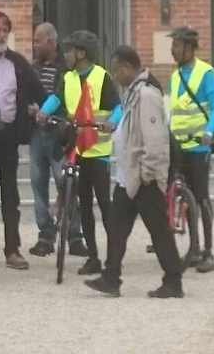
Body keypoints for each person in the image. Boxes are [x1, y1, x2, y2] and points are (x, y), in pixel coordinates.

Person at [85, 46, 184, 298]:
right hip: (129, 177)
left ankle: (173, 281)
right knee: (117, 226)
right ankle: (111, 277)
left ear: (128, 67)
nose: (115, 76)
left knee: (159, 230)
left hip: (142, 177)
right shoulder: (133, 93)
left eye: (117, 70)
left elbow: (155, 139)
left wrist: (147, 174)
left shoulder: (147, 95)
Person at [37, 30, 122, 276]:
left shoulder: (101, 77)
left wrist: (112, 122)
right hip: (77, 148)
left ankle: (113, 257)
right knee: (84, 206)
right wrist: (43, 111)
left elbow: (118, 107)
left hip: (98, 151)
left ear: (82, 53)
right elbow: (56, 98)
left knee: (104, 205)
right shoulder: (68, 78)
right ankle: (93, 257)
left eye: (70, 50)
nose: (65, 55)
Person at [0, 11, 43, 270]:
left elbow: (39, 92)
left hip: (9, 134)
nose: (1, 35)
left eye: (5, 30)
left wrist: (37, 110)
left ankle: (12, 249)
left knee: (10, 193)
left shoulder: (18, 63)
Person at [27, 22, 85, 258]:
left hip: (59, 135)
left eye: (38, 41)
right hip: (36, 134)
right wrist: (30, 109)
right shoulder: (32, 69)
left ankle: (74, 235)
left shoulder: (65, 69)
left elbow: (66, 97)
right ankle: (45, 234)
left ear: (51, 42)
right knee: (37, 183)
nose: (34, 45)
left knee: (66, 183)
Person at [167, 26, 214, 273]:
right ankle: (194, 248)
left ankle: (208, 252)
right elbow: (175, 110)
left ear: (189, 48)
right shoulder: (175, 76)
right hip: (179, 146)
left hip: (199, 146)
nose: (173, 50)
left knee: (201, 197)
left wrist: (209, 131)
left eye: (177, 45)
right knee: (183, 196)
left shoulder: (206, 72)